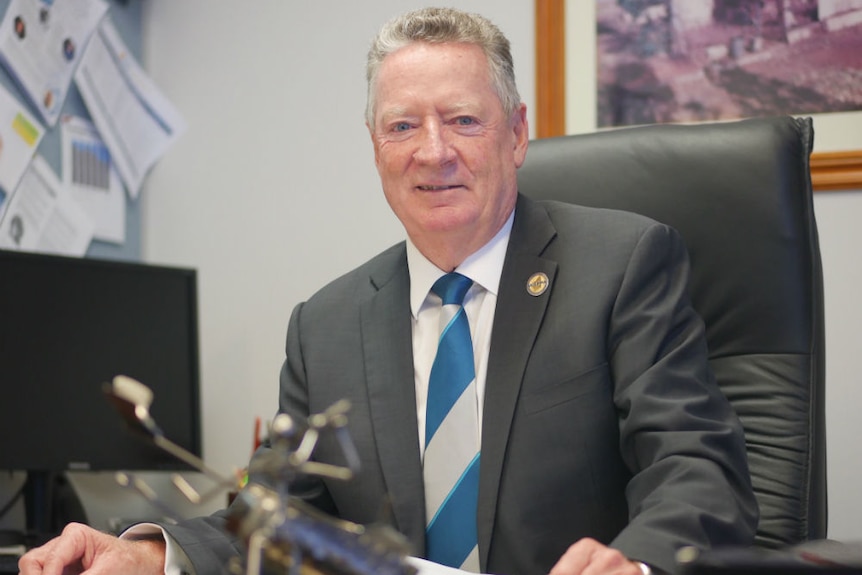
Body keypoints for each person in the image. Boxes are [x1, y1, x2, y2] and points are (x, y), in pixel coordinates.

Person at [19, 7, 757, 575]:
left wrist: (636, 561)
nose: (433, 151)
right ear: (374, 145)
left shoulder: (622, 265)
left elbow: (696, 469)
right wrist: (151, 550)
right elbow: (273, 519)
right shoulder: (326, 324)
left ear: (516, 133)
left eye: (464, 120)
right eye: (403, 125)